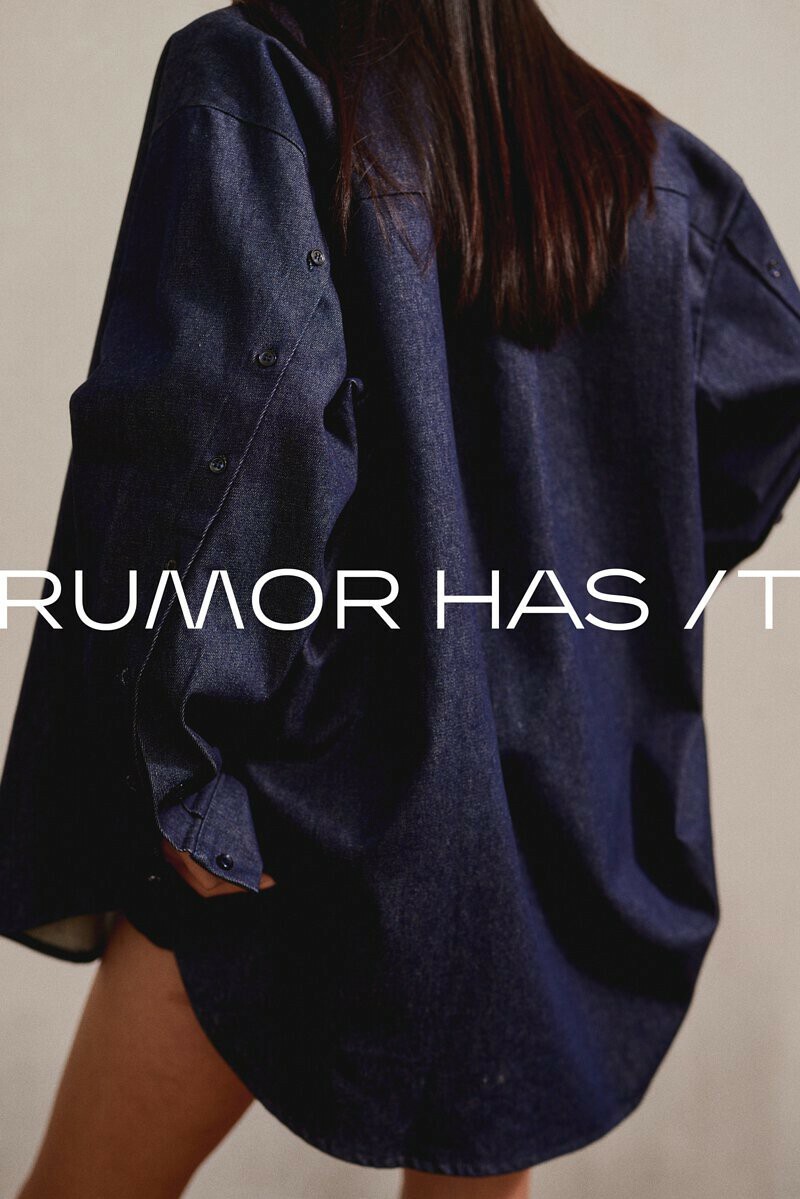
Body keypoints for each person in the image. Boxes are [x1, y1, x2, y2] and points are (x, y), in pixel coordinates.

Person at [2, 1, 800, 1196]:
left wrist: (178, 777)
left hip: (303, 815)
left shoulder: (264, 78)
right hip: (540, 847)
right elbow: (758, 402)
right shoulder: (648, 171)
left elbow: (219, 434)